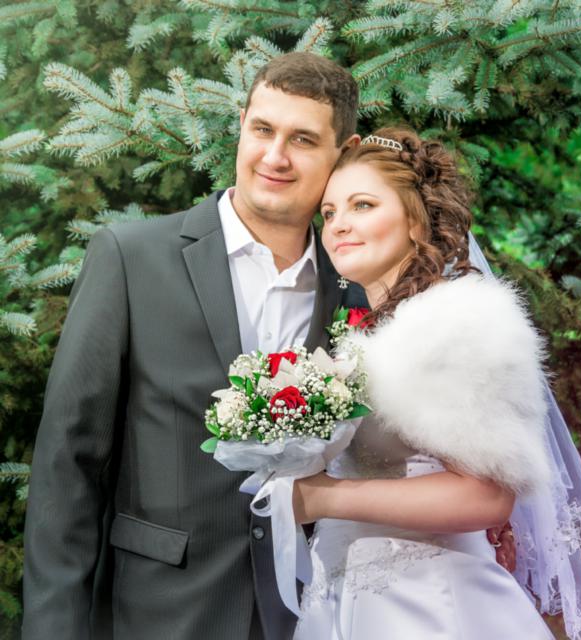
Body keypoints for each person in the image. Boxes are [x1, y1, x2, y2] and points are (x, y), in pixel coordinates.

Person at [21, 52, 361, 640]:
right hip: (160, 611)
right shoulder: (132, 258)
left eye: (303, 140)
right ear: (242, 126)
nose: (274, 156)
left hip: (312, 612)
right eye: (263, 129)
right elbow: (67, 464)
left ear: (343, 153)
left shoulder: (355, 286)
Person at [291, 128, 581, 639]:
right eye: (329, 212)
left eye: (362, 205)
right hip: (350, 597)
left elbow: (486, 498)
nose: (338, 224)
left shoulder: (454, 322)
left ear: (416, 221)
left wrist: (320, 499)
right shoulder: (370, 330)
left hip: (430, 606)